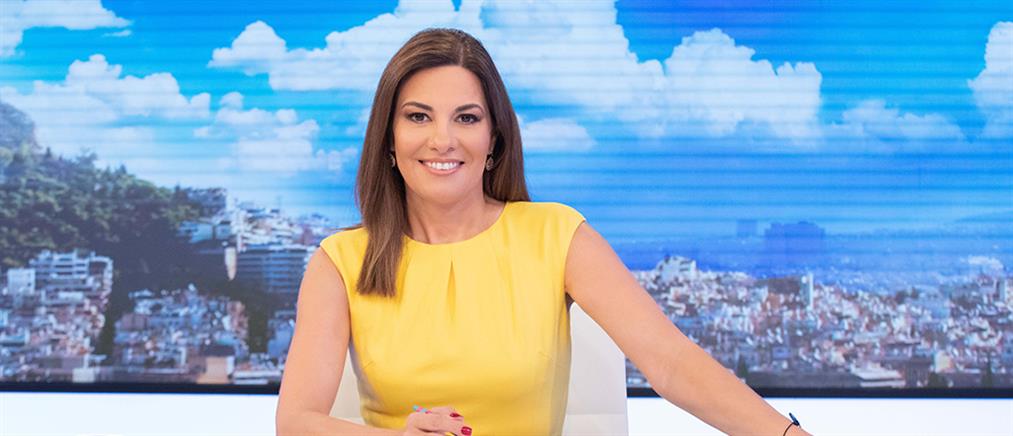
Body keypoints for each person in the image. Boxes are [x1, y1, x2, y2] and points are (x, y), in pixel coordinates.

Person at [276, 28, 810, 436]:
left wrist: (787, 435)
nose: (442, 140)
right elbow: (296, 421)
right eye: (418, 117)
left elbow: (671, 363)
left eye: (466, 118)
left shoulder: (556, 234)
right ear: (389, 141)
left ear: (494, 141)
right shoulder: (340, 260)